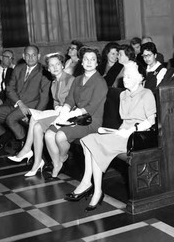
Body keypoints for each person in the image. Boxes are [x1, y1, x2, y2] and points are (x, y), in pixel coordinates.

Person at [64, 62, 156, 211]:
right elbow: (123, 121)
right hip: (122, 133)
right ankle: (94, 187)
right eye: (124, 76)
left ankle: (93, 187)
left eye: (128, 76)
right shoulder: (123, 94)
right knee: (88, 140)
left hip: (137, 136)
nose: (124, 79)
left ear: (139, 78)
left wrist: (131, 130)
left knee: (94, 143)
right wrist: (111, 132)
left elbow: (151, 121)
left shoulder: (147, 94)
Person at [44, 47, 108, 178]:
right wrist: (65, 112)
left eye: (93, 59)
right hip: (75, 117)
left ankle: (62, 158)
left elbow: (91, 107)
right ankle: (57, 164)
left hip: (90, 121)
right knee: (49, 135)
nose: (89, 62)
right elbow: (70, 99)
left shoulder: (100, 82)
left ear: (97, 63)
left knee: (60, 136)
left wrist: (70, 115)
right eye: (86, 59)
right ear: (82, 62)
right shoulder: (78, 79)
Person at [8, 53, 74, 176]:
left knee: (34, 118)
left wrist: (61, 108)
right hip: (58, 113)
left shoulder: (70, 80)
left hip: (69, 115)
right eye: (51, 65)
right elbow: (55, 102)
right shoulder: (54, 83)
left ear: (63, 65)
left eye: (58, 64)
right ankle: (37, 162)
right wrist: (57, 107)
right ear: (48, 69)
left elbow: (74, 101)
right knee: (37, 127)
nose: (55, 67)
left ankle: (27, 149)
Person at [0, 45, 51, 153]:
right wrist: (19, 102)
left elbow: (44, 97)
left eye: (34, 55)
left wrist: (35, 115)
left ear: (38, 56)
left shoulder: (44, 72)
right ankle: (5, 137)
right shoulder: (18, 68)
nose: (31, 58)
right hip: (14, 103)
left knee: (11, 119)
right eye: (28, 55)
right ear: (23, 56)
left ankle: (24, 145)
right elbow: (10, 88)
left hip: (30, 107)